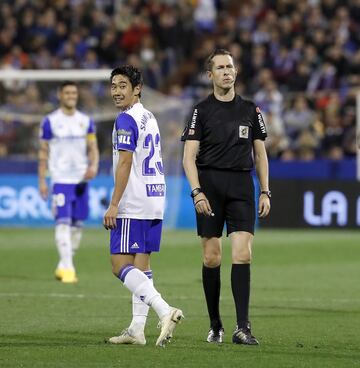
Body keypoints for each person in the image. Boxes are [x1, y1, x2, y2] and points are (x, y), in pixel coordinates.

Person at [182, 49, 270, 345]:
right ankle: (215, 324)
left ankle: (242, 327)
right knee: (211, 257)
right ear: (210, 75)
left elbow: (260, 154)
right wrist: (196, 191)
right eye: (220, 67)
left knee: (243, 254)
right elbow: (188, 157)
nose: (226, 71)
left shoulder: (250, 109)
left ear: (236, 71)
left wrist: (266, 190)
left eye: (230, 66)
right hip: (210, 186)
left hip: (242, 186)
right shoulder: (200, 111)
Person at [103, 65, 184, 347]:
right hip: (154, 196)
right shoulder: (149, 116)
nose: (116, 91)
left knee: (119, 264)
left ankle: (164, 310)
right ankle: (137, 329)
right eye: (113, 86)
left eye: (122, 85)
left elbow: (125, 162)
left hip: (133, 202)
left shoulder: (126, 119)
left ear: (137, 88)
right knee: (141, 264)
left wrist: (114, 204)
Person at [38, 81, 99, 283]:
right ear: (60, 95)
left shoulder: (85, 121)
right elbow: (43, 152)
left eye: (74, 92)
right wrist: (42, 180)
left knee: (77, 226)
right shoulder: (50, 121)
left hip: (81, 179)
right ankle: (69, 270)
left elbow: (93, 147)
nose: (71, 95)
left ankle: (62, 265)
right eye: (67, 92)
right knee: (62, 223)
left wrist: (94, 166)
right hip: (61, 178)